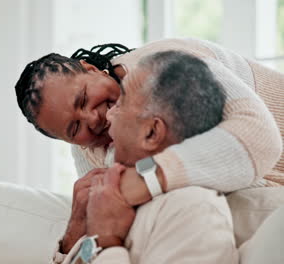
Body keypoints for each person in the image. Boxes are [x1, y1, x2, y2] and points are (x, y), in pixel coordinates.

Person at [14, 38, 283, 253]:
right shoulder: (90, 151)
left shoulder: (168, 63)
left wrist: (142, 181)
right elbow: (111, 224)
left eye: (83, 98)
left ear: (92, 69)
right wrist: (74, 232)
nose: (94, 119)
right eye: (74, 128)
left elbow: (260, 139)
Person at [53, 50, 239, 263]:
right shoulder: (108, 197)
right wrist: (75, 230)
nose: (107, 115)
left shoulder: (195, 211)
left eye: (121, 103)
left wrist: (106, 241)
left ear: (151, 133)